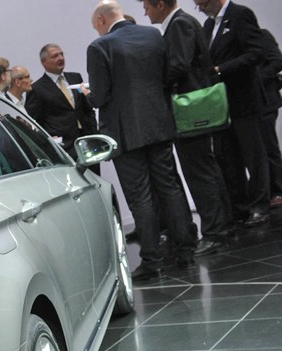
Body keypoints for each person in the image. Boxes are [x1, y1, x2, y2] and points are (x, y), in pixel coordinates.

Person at [87, 0, 197, 279]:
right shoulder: (152, 35)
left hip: (125, 133)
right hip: (159, 124)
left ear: (101, 20)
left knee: (141, 197)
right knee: (170, 187)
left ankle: (152, 260)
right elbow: (165, 76)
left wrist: (87, 96)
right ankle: (186, 251)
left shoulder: (99, 47)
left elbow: (100, 96)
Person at [138, 0, 234, 257]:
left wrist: (153, 85)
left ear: (160, 4)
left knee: (199, 172)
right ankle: (223, 226)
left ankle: (215, 233)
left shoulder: (179, 24)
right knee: (206, 168)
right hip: (192, 108)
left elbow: (178, 65)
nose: (145, 12)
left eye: (147, 6)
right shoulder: (183, 23)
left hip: (189, 109)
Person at [196, 0, 271, 226]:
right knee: (229, 157)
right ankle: (239, 207)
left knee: (253, 156)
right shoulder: (209, 25)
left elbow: (256, 53)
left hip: (245, 99)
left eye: (201, 2)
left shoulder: (240, 14)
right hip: (221, 103)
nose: (199, 7)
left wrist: (221, 70)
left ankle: (259, 206)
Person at [26, 44, 99, 157]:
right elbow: (34, 120)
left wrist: (94, 132)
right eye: (55, 56)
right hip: (64, 146)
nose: (60, 58)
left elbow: (87, 108)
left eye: (61, 54)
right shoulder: (37, 88)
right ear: (44, 62)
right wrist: (49, 138)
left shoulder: (75, 77)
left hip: (88, 140)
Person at [257, 28, 282, 207]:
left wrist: (255, 80)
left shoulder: (262, 36)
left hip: (266, 100)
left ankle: (278, 190)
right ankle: (269, 190)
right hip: (252, 103)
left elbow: (277, 61)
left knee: (269, 146)